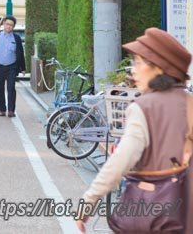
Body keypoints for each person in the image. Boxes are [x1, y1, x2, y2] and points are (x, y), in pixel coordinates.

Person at [76, 28, 193, 233]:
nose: (133, 70)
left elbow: (121, 160)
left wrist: (89, 200)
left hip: (154, 216)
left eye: (138, 62)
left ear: (158, 68)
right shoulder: (189, 103)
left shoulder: (143, 107)